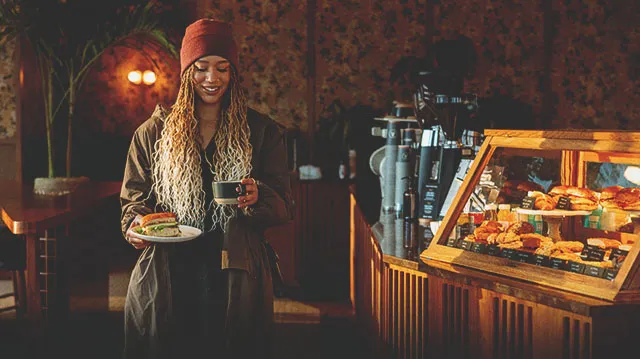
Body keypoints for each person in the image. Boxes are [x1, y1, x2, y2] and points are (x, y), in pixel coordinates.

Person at [119, 17, 292, 359]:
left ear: (234, 73)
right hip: (169, 268)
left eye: (222, 68)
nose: (212, 79)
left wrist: (260, 197)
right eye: (201, 68)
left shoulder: (262, 132)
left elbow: (284, 205)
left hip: (235, 267)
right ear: (186, 72)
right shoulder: (153, 132)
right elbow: (133, 202)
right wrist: (136, 226)